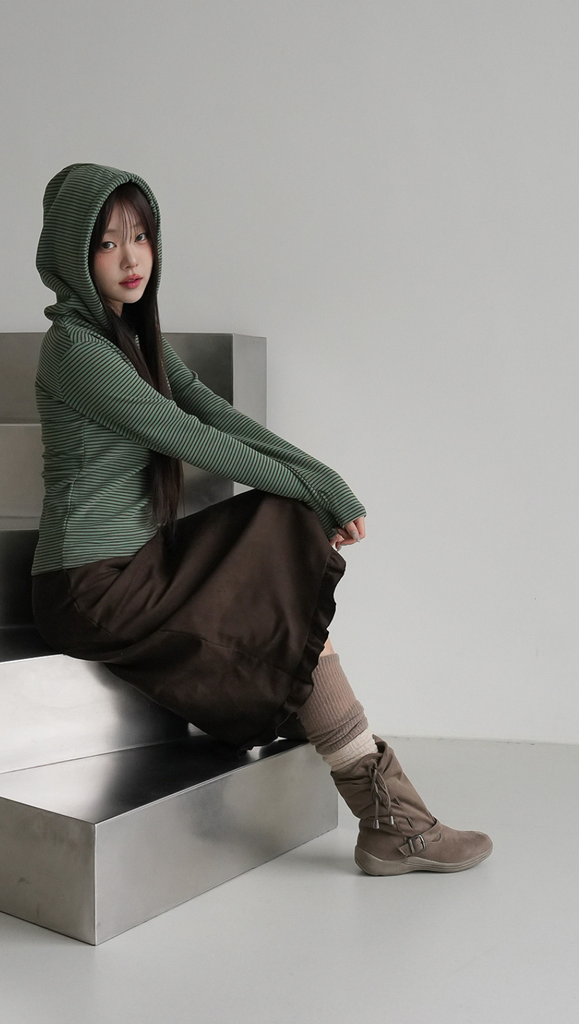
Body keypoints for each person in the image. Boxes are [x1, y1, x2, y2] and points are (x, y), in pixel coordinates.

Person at [31, 162, 492, 877]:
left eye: (141, 237)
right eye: (108, 243)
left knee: (286, 566)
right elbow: (193, 439)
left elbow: (218, 413)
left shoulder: (131, 339)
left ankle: (391, 819)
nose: (131, 259)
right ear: (73, 254)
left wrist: (322, 479)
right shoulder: (75, 349)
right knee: (282, 543)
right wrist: (314, 492)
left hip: (137, 563)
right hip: (90, 588)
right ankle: (392, 820)